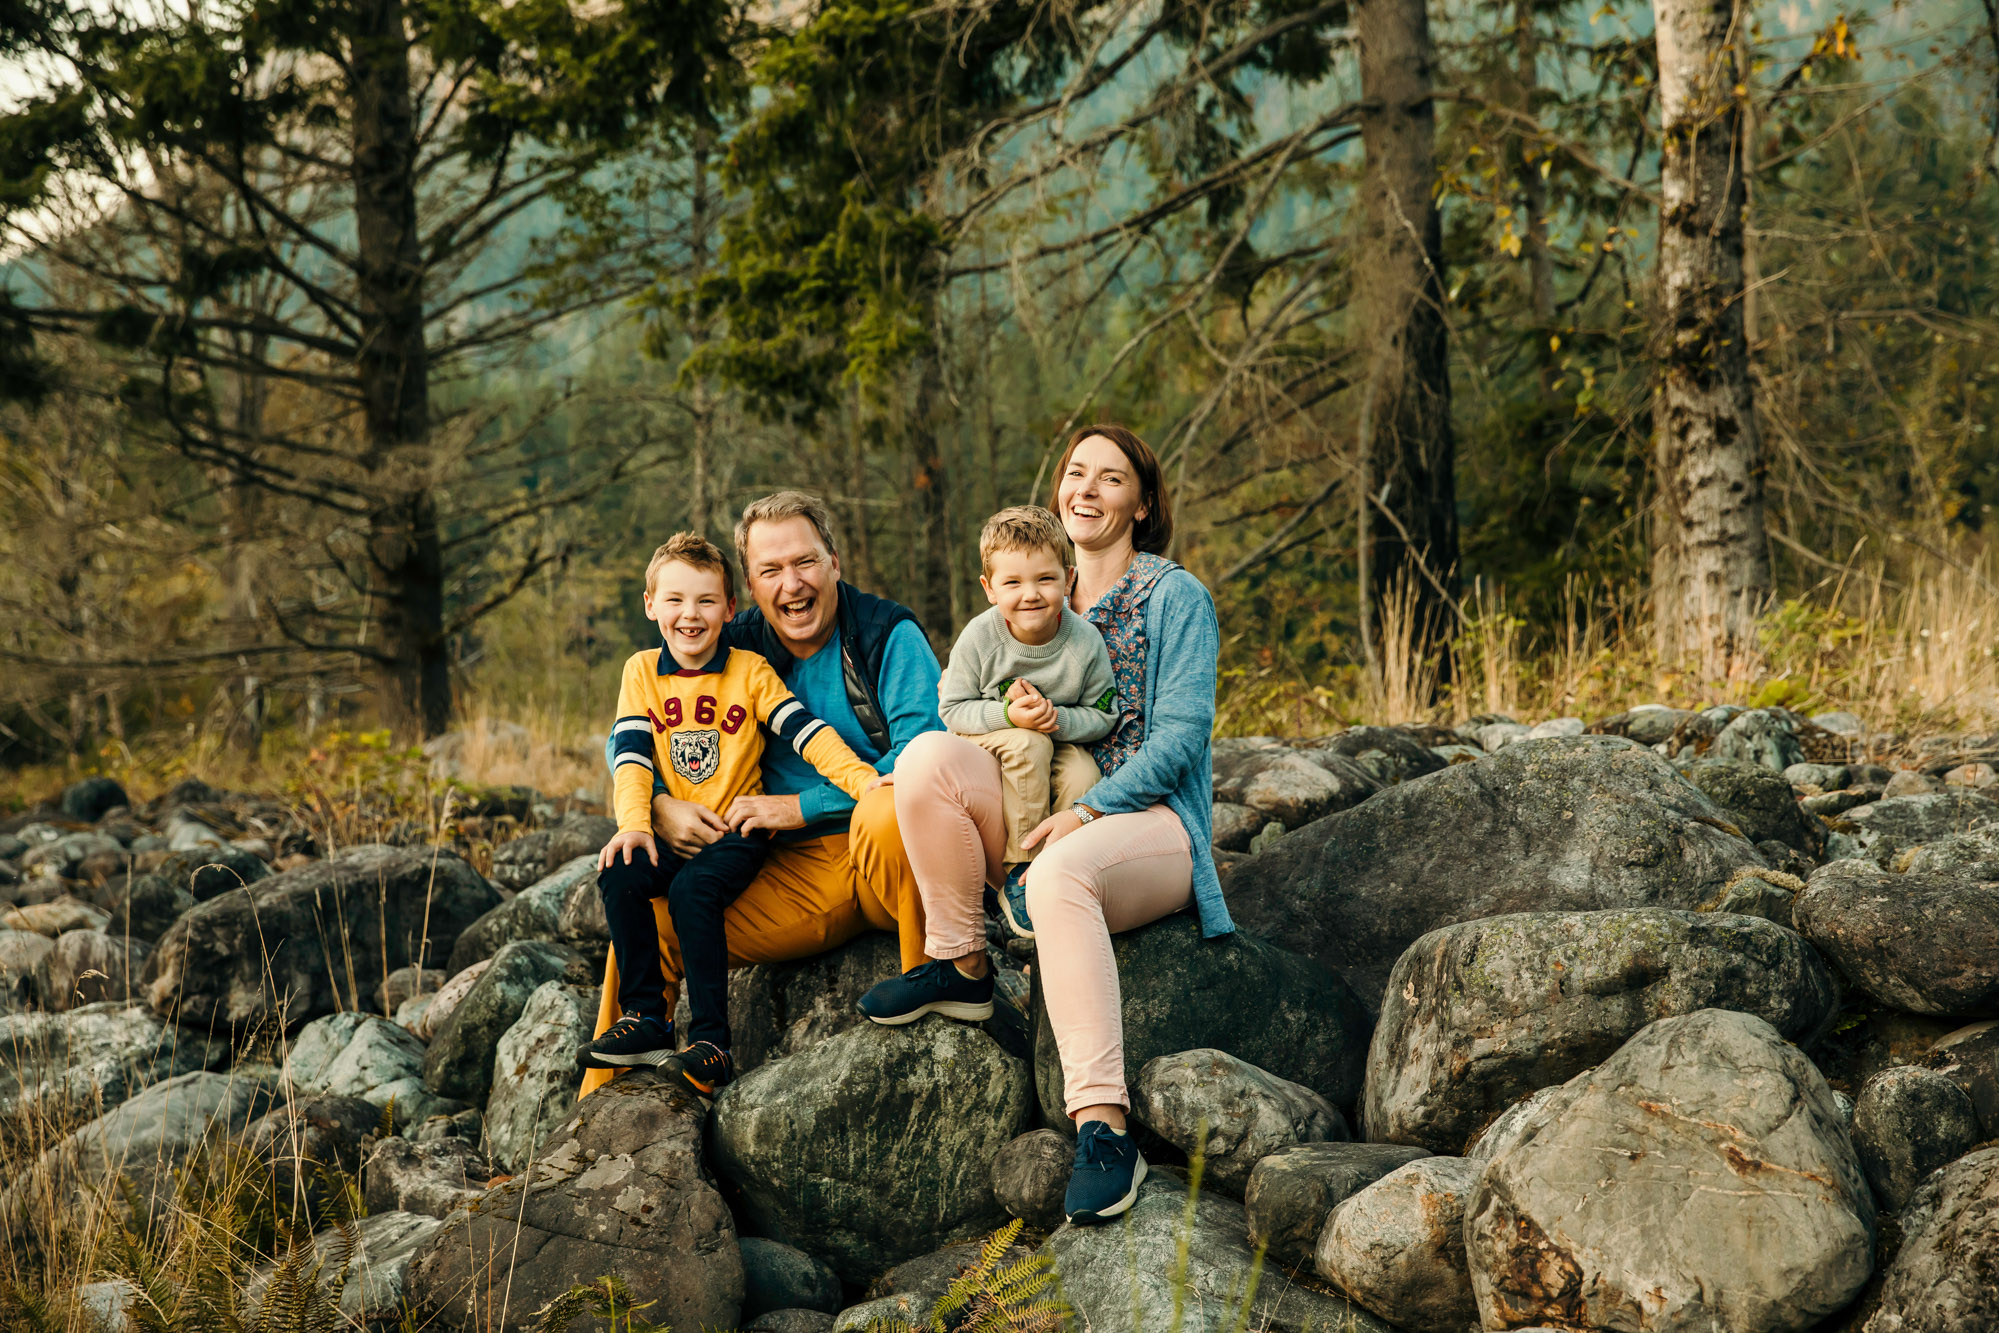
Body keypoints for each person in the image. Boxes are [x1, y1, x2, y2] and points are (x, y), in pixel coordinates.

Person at [857, 425, 1228, 1225]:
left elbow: (1179, 737)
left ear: (1143, 502)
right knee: (923, 759)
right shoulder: (1033, 590)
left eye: (1110, 477)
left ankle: (1102, 1126)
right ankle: (958, 963)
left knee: (1062, 871)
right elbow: (969, 710)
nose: (1086, 489)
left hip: (1149, 826)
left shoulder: (1174, 596)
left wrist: (1090, 809)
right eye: (1074, 473)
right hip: (1043, 807)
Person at [580, 492, 947, 1098]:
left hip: (880, 861)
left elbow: (925, 753)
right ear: (747, 587)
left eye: (804, 562)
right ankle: (607, 1110)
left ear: (834, 561)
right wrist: (658, 810)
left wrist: (802, 806)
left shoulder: (887, 632)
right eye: (771, 571)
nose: (791, 585)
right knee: (648, 903)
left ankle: (931, 1018)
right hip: (780, 872)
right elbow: (638, 734)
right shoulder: (734, 641)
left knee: (887, 805)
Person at [937, 505, 1117, 938]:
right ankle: (1022, 870)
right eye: (1013, 582)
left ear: (1069, 579)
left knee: (1083, 772)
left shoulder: (1084, 643)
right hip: (986, 741)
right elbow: (951, 708)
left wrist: (1057, 721)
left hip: (1057, 740)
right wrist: (1006, 715)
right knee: (1026, 744)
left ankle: (1064, 868)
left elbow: (1105, 714)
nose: (1030, 594)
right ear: (989, 588)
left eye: (1045, 579)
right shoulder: (980, 638)